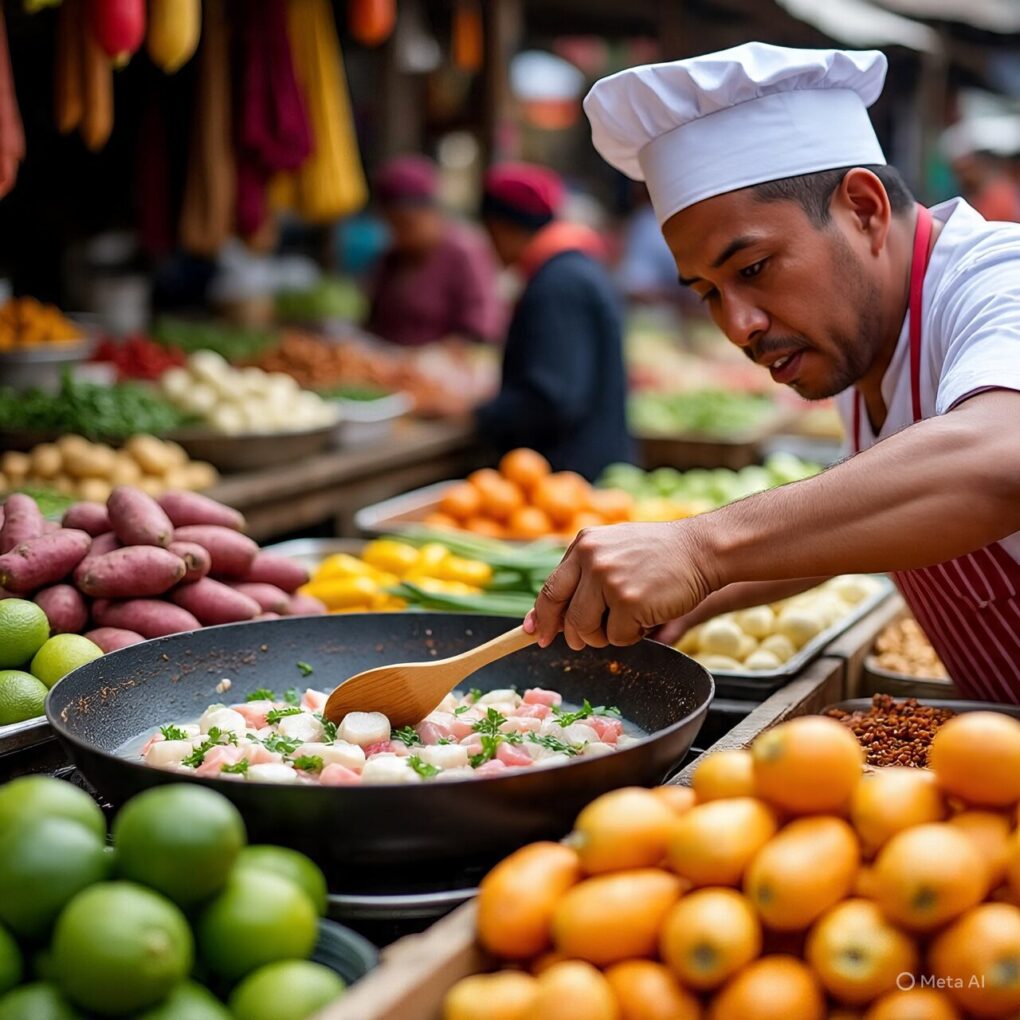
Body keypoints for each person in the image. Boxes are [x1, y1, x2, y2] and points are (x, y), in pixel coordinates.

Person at [524, 43, 1020, 704]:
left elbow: (1000, 459)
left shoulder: (998, 279)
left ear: (864, 210)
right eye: (708, 292)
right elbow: (863, 517)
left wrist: (702, 549)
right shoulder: (862, 336)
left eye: (754, 268)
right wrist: (701, 594)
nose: (738, 326)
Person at [474, 162, 634, 481]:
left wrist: (478, 414)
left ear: (501, 227)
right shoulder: (576, 267)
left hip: (571, 479)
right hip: (589, 470)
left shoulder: (557, 283)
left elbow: (551, 400)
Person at [365, 155, 503, 346]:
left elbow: (482, 325)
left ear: (431, 212)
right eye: (391, 224)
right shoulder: (393, 257)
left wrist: (437, 353)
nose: (398, 234)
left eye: (406, 223)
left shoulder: (464, 252)